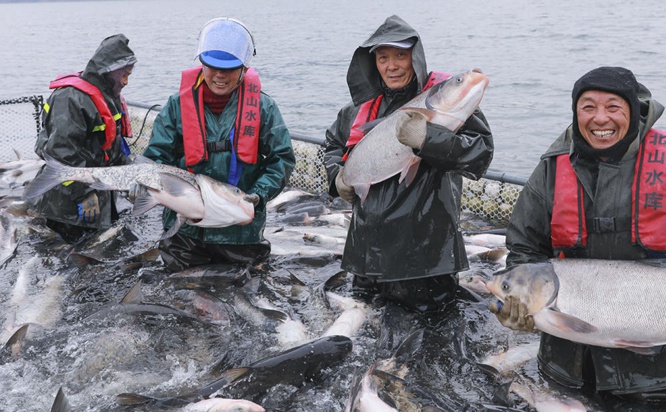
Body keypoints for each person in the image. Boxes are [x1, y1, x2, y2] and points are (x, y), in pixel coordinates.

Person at [490, 67, 666, 404]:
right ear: (575, 112)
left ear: (633, 111)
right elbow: (524, 251)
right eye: (588, 107)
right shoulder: (550, 172)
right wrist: (519, 304)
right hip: (567, 367)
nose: (600, 119)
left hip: (662, 376)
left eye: (613, 107)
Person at [323, 15, 493, 314]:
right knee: (365, 331)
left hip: (426, 257)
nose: (392, 66)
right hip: (366, 253)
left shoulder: (447, 103)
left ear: (416, 58)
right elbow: (332, 146)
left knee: (433, 338)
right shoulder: (355, 110)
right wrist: (337, 176)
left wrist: (428, 139)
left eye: (401, 56)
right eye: (383, 58)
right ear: (372, 63)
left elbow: (479, 155)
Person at [142, 18, 295, 271]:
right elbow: (156, 158)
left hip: (241, 234)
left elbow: (282, 160)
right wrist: (156, 190)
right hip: (185, 232)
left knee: (243, 295)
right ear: (201, 63)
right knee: (179, 295)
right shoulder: (176, 105)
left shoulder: (264, 108)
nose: (220, 75)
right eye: (212, 66)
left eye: (230, 68)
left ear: (245, 68)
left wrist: (257, 195)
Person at [31, 34, 137, 244]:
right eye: (123, 75)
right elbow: (60, 153)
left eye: (129, 75)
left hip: (99, 196)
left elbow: (112, 149)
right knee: (65, 257)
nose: (126, 81)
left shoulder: (108, 96)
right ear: (108, 72)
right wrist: (83, 194)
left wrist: (133, 176)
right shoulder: (70, 98)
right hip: (65, 205)